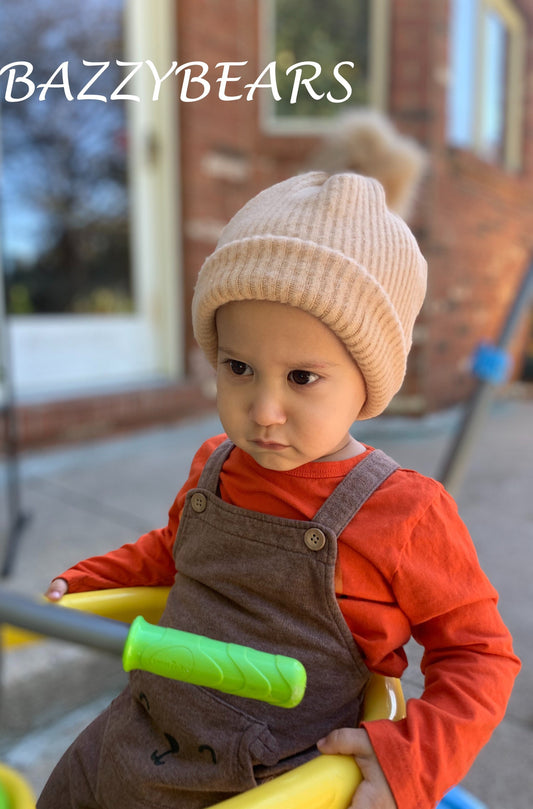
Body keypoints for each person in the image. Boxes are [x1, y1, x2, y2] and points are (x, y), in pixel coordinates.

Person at [38, 172, 520, 809]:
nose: (264, 409)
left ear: (367, 382)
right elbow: (172, 551)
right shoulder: (215, 466)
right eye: (238, 368)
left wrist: (410, 756)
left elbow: (480, 655)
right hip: (132, 742)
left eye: (301, 377)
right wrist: (88, 579)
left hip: (271, 785)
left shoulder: (403, 512)